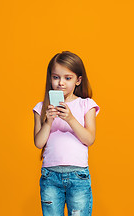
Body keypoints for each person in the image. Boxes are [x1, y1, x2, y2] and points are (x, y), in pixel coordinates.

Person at [33, 51, 100, 216]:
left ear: (78, 80)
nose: (61, 83)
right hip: (50, 176)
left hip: (78, 175)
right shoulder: (41, 108)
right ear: (50, 78)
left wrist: (70, 119)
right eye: (56, 77)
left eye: (67, 78)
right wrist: (48, 121)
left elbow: (89, 139)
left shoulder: (86, 105)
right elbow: (38, 143)